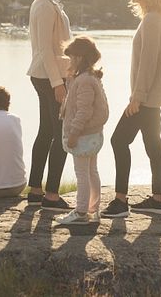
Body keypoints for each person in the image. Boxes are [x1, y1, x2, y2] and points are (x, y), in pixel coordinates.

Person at [102, 0, 161, 218]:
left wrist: (137, 97)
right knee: (153, 145)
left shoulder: (153, 20)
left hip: (145, 99)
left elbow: (148, 62)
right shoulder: (155, 19)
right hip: (150, 99)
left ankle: (121, 202)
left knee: (119, 141)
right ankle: (158, 200)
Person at [26, 0, 73, 211]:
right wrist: (58, 83)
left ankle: (35, 190)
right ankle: (52, 195)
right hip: (49, 77)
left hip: (47, 75)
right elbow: (45, 48)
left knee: (46, 131)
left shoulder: (48, 2)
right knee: (62, 135)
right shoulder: (44, 6)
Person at [55, 36, 109, 225]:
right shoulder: (88, 77)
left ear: (79, 58)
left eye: (71, 58)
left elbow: (84, 110)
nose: (69, 61)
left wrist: (74, 133)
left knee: (82, 174)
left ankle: (80, 211)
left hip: (83, 135)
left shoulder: (84, 81)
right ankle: (93, 209)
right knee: (92, 171)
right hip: (93, 134)